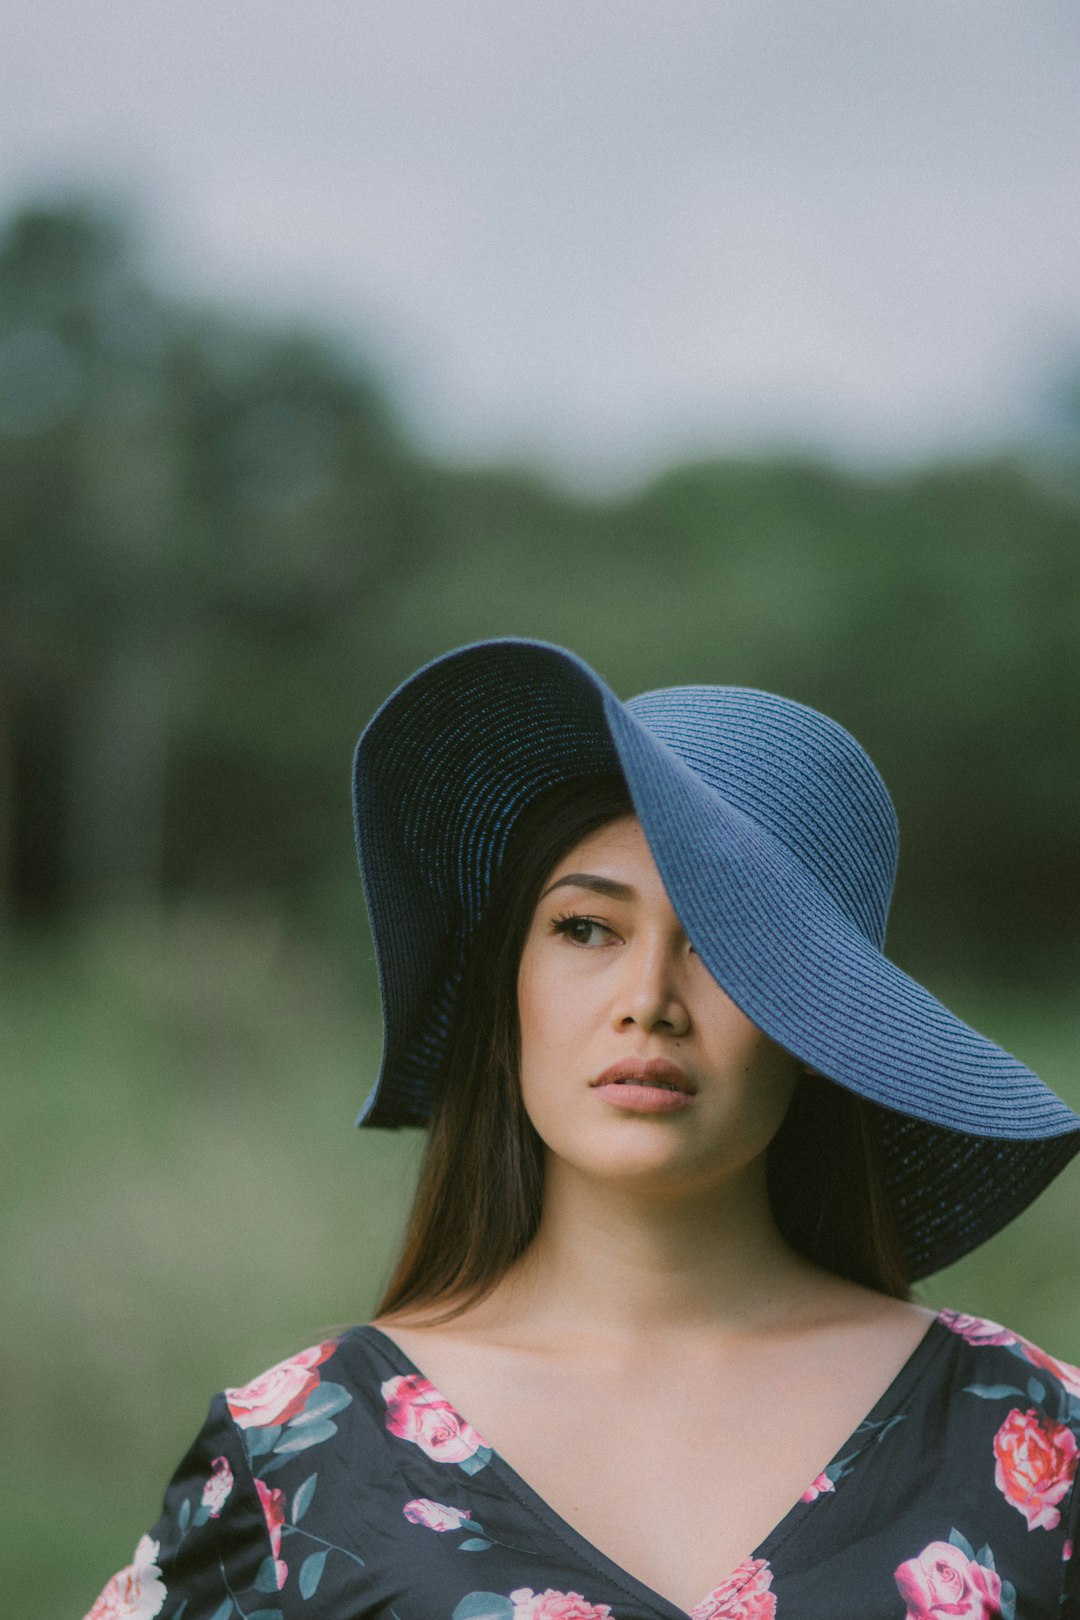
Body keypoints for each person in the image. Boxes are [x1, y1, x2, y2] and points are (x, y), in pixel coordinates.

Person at [85, 638, 1080, 1620]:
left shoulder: (1036, 1438)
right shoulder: (295, 1455)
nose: (649, 1001)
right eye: (586, 929)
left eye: (730, 945)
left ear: (821, 1026)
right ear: (508, 987)